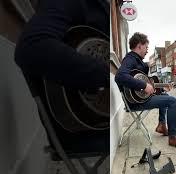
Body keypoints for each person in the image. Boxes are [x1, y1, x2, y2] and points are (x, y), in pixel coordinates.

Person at [14, 0, 109, 153]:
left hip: (103, 119)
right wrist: (107, 76)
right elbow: (31, 47)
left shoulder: (106, 9)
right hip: (82, 130)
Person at [115, 32, 176, 146]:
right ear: (139, 46)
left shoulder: (139, 62)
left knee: (165, 96)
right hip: (135, 103)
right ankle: (173, 137)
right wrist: (144, 85)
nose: (147, 50)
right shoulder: (130, 59)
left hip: (140, 99)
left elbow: (147, 88)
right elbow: (120, 76)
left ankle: (162, 125)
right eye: (146, 47)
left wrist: (160, 89)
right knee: (172, 101)